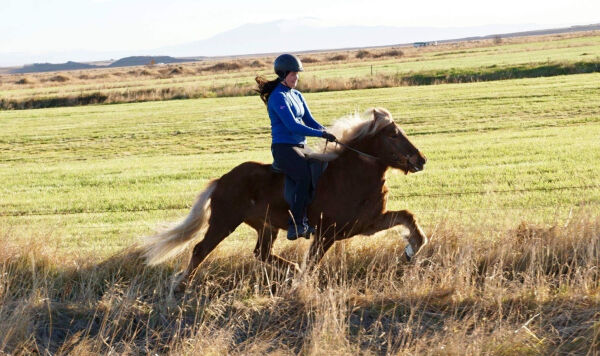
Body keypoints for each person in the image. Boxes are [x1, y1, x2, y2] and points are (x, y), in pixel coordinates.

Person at [256, 54, 337, 240]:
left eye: (297, 74)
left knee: (323, 168)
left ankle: (314, 217)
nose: (296, 78)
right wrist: (321, 134)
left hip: (301, 146)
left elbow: (309, 120)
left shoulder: (296, 94)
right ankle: (296, 224)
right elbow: (293, 126)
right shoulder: (277, 97)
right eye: (293, 74)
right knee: (303, 176)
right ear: (283, 74)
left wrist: (328, 131)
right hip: (284, 148)